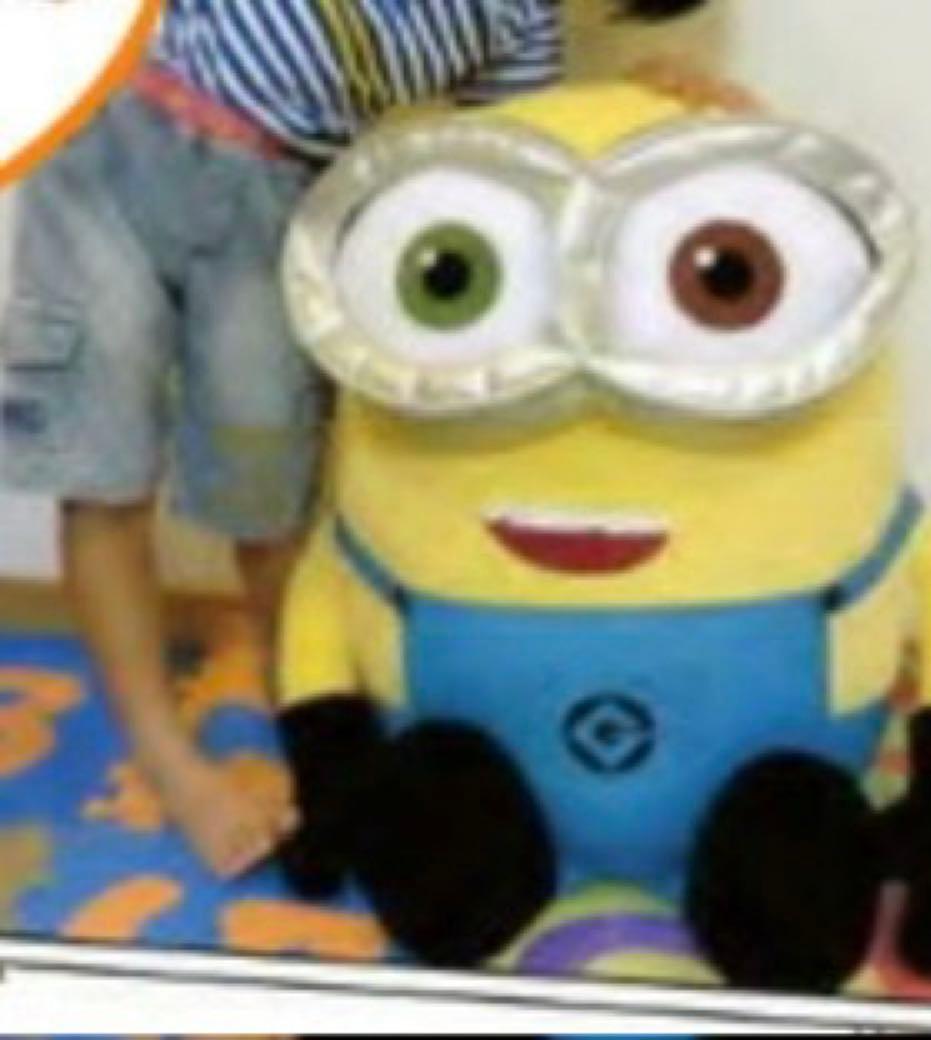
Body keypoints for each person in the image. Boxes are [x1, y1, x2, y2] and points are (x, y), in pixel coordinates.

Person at [0, 0, 721, 879]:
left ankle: (318, 731)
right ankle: (170, 761)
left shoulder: (521, 28)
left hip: (274, 203)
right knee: (102, 477)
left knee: (271, 498)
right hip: (116, 135)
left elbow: (520, 167)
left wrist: (650, 105)